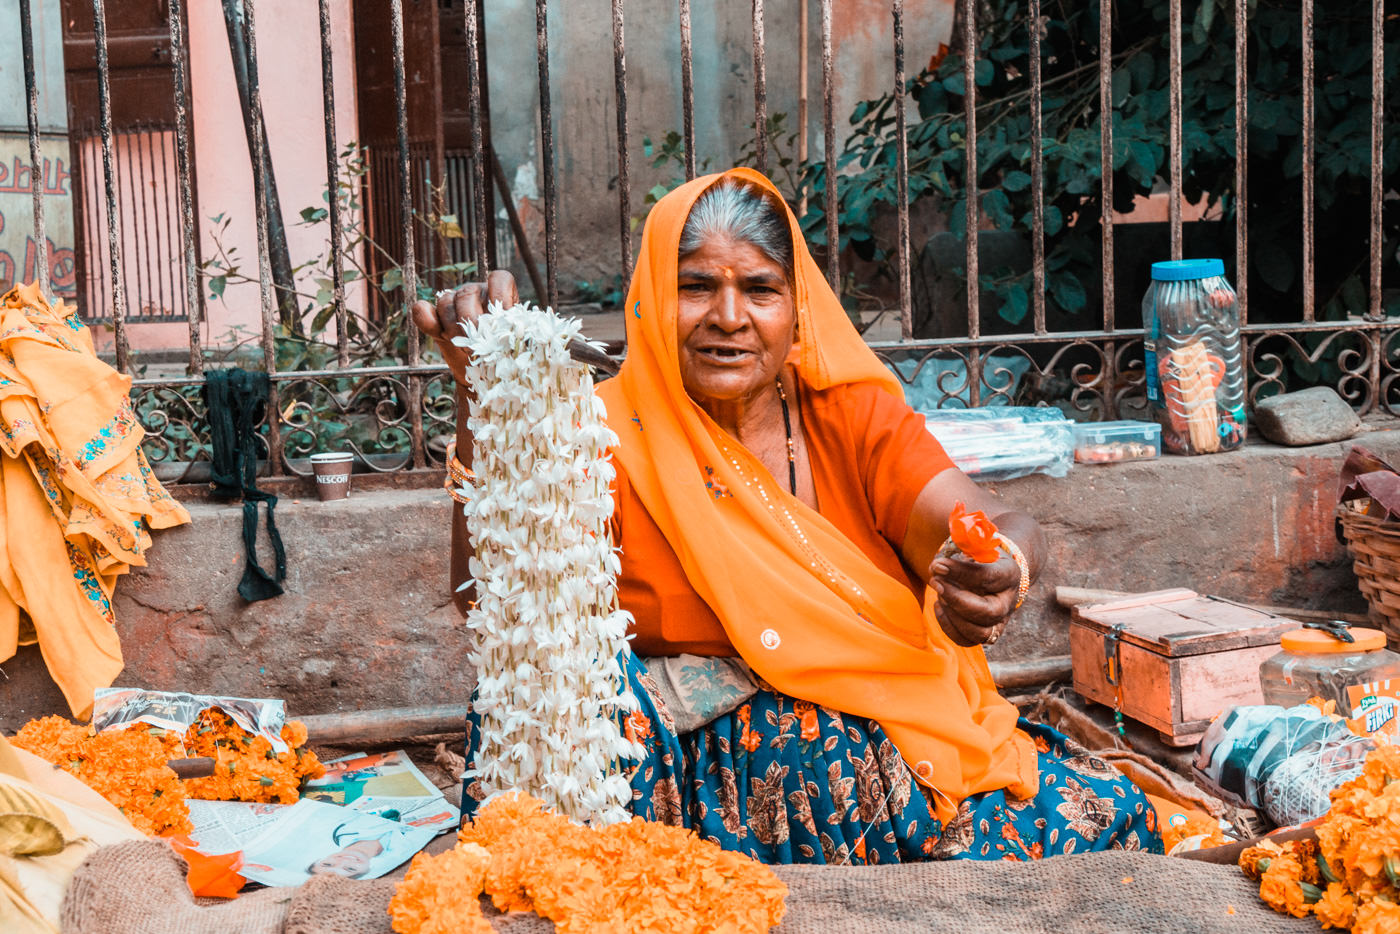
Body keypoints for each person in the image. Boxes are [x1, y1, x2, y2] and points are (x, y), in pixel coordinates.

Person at [412, 167, 1160, 863]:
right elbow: (493, 603)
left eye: (760, 289)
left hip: (875, 740)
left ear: (797, 310)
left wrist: (1000, 566)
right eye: (696, 285)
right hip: (676, 767)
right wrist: (483, 394)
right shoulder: (595, 433)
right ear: (648, 298)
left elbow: (983, 519)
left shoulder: (850, 417)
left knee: (1115, 822)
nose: (728, 317)